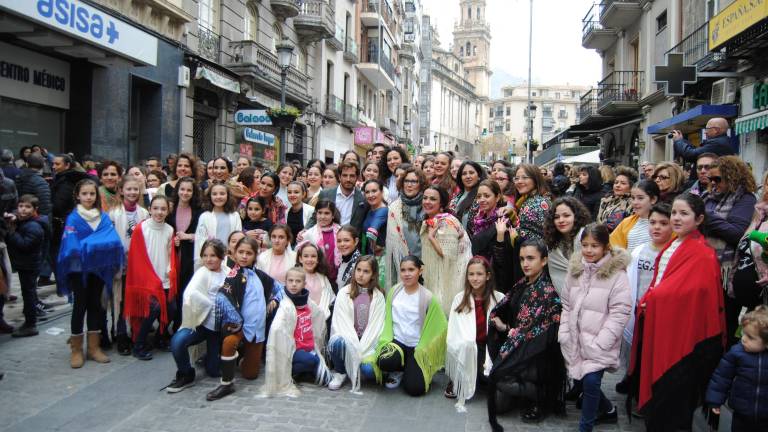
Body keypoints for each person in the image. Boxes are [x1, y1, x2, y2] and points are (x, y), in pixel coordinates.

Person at [629, 193, 726, 430]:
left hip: (684, 342)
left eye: (684, 214)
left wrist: (654, 298)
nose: (676, 218)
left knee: (673, 403)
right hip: (665, 328)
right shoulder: (675, 244)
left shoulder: (703, 253)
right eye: (674, 213)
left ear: (699, 218)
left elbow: (694, 295)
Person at [560, 224, 631, 432]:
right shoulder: (575, 270)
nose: (589, 250)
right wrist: (565, 332)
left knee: (591, 381)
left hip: (599, 341)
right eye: (585, 245)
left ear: (606, 247)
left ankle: (586, 427)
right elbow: (566, 304)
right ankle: (608, 410)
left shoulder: (617, 275)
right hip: (575, 337)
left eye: (595, 246)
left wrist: (601, 342)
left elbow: (620, 311)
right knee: (581, 376)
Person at [487, 240, 564, 426]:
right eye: (522, 259)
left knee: (499, 378)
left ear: (544, 260)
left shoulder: (548, 293)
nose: (525, 264)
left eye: (531, 258)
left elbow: (538, 336)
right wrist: (497, 318)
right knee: (498, 404)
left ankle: (541, 395)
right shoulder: (522, 284)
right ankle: (523, 392)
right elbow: (503, 307)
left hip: (536, 357)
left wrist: (506, 329)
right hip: (518, 348)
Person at [57, 179, 125, 368]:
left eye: (92, 194)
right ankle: (76, 349)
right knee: (80, 306)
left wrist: (89, 244)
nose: (88, 197)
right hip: (79, 271)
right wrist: (95, 244)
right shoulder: (73, 218)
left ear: (96, 196)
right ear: (78, 196)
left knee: (96, 305)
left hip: (99, 269)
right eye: (85, 194)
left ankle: (94, 348)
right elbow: (71, 246)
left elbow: (113, 241)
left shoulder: (102, 217)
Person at [206, 237, 281, 400]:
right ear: (234, 253)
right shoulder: (233, 276)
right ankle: (226, 384)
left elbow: (279, 288)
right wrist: (237, 321)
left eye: (249, 253)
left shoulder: (261, 275)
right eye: (241, 252)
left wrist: (274, 299)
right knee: (229, 342)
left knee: (250, 374)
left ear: (256, 255)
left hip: (257, 327)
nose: (244, 256)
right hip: (238, 325)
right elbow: (222, 297)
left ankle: (240, 359)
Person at [616, 203, 674, 394]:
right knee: (636, 349)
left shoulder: (673, 252)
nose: (656, 227)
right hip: (637, 308)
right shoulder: (639, 250)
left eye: (663, 223)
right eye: (653, 222)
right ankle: (633, 378)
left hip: (658, 311)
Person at [702, 156, 757, 345]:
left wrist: (705, 216)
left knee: (723, 323)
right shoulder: (707, 197)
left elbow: (737, 233)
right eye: (711, 179)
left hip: (725, 271)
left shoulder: (745, 199)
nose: (713, 183)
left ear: (733, 177)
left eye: (718, 179)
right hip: (702, 266)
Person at [376, 256, 447, 396]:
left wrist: (428, 348)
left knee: (416, 389)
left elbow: (442, 324)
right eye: (403, 270)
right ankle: (398, 370)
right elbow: (387, 319)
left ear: (420, 271)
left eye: (411, 269)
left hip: (416, 346)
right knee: (384, 360)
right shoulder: (394, 292)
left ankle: (416, 367)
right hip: (397, 342)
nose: (406, 274)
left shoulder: (427, 297)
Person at [166, 239, 229, 392]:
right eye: (205, 255)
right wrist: (209, 305)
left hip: (217, 326)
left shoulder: (227, 272)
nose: (208, 259)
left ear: (221, 256)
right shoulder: (201, 273)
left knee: (214, 371)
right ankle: (185, 373)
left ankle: (211, 358)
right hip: (200, 322)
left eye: (213, 255)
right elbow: (191, 293)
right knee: (177, 342)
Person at [261, 267, 331, 397]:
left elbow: (318, 315)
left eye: (298, 281)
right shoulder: (285, 305)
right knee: (313, 361)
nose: (294, 284)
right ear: (285, 282)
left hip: (308, 347)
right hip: (293, 351)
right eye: (290, 281)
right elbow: (276, 328)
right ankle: (294, 371)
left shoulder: (307, 301)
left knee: (321, 372)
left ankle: (303, 372)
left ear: (304, 284)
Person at [445, 256, 504, 411]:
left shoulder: (499, 298)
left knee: (490, 382)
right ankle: (458, 377)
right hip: (468, 347)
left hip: (489, 347)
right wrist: (465, 343)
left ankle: (480, 376)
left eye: (479, 274)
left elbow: (506, 329)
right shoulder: (459, 298)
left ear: (488, 276)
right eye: (471, 274)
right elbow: (454, 330)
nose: (475, 278)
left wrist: (501, 325)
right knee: (466, 347)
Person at [123, 196, 177, 360]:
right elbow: (136, 257)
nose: (159, 212)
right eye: (156, 208)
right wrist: (150, 278)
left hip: (164, 277)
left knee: (173, 309)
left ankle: (160, 338)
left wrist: (170, 271)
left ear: (168, 211)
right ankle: (139, 345)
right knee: (153, 309)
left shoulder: (169, 229)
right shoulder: (141, 229)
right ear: (150, 209)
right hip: (146, 279)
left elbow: (170, 254)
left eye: (163, 209)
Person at [327, 256, 387, 392]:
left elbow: (377, 328)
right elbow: (340, 324)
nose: (360, 274)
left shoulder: (378, 297)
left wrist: (360, 351)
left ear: (373, 275)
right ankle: (340, 372)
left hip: (368, 342)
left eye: (366, 271)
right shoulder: (344, 293)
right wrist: (354, 346)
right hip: (348, 339)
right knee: (337, 342)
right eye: (358, 270)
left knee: (369, 372)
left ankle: (358, 366)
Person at [705, 306, 768, 431]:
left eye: (750, 337)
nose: (743, 339)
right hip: (741, 412)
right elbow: (721, 377)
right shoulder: (736, 353)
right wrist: (715, 400)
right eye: (744, 334)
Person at [108, 176, 150, 354]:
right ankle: (121, 335)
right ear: (121, 191)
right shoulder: (113, 213)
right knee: (120, 301)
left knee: (136, 301)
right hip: (120, 265)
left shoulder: (144, 213)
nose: (132, 192)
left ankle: (136, 334)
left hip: (138, 266)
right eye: (129, 189)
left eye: (135, 189)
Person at [421, 186, 473, 314]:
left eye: (432, 199)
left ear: (441, 204)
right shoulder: (432, 220)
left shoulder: (446, 222)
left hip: (452, 278)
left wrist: (431, 238)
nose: (427, 201)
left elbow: (447, 256)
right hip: (439, 275)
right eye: (425, 198)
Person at [5, 195, 49, 337]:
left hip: (29, 265)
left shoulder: (35, 226)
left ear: (35, 210)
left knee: (28, 294)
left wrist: (11, 232)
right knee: (29, 293)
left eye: (27, 207)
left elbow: (25, 245)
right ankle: (30, 319)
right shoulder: (26, 222)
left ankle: (30, 324)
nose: (23, 210)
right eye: (21, 206)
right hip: (26, 264)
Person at [168, 177, 203, 330]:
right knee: (172, 294)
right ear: (177, 190)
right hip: (172, 258)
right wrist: (173, 240)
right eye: (182, 189)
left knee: (185, 292)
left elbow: (205, 235)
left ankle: (180, 326)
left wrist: (189, 237)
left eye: (189, 190)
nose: (185, 193)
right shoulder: (170, 209)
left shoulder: (199, 212)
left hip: (190, 258)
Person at [385, 167, 427, 288]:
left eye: (414, 181)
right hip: (403, 265)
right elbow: (392, 243)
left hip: (426, 262)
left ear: (421, 184)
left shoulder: (428, 204)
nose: (409, 185)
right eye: (406, 181)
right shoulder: (394, 208)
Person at [543, 197, 591, 294]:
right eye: (556, 217)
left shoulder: (587, 236)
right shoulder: (552, 243)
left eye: (566, 215)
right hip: (564, 301)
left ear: (576, 217)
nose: (561, 220)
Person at [193, 183, 242, 268]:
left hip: (230, 259)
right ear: (210, 196)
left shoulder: (235, 215)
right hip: (211, 260)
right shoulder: (205, 216)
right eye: (214, 194)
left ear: (228, 196)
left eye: (222, 194)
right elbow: (200, 241)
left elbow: (239, 239)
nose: (218, 197)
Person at [309, 162, 366, 229]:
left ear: (357, 177)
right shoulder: (325, 194)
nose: (348, 179)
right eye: (345, 175)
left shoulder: (363, 198)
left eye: (352, 176)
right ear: (339, 177)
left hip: (351, 238)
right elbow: (315, 217)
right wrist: (305, 229)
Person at [609, 180, 660, 252]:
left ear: (653, 199)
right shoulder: (626, 222)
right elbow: (613, 248)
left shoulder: (665, 223)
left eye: (640, 198)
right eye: (633, 198)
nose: (635, 202)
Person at [296, 242, 335, 319]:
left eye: (313, 256)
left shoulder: (323, 279)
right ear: (300, 259)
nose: (309, 259)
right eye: (306, 256)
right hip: (303, 323)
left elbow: (331, 300)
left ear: (318, 259)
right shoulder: (295, 278)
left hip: (323, 323)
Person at [671, 117, 735, 162]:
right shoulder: (722, 142)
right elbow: (695, 151)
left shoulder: (717, 143)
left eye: (707, 129)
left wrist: (678, 141)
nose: (705, 132)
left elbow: (690, 155)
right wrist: (682, 140)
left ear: (716, 130)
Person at [449, 161, 487, 233]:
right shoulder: (457, 197)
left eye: (471, 173)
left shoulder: (482, 197)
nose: (468, 176)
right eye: (464, 174)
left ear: (479, 176)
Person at [596, 166, 637, 231]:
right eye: (616, 182)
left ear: (630, 187)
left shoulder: (634, 203)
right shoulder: (606, 200)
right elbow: (599, 220)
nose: (618, 185)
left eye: (623, 183)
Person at [360, 180, 387, 259]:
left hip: (380, 259)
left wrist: (374, 247)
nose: (370, 195)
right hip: (370, 256)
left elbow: (372, 231)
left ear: (382, 192)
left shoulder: (383, 210)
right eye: (367, 192)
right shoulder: (370, 210)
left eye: (374, 191)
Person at [285, 181, 314, 246]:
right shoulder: (286, 212)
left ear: (303, 194)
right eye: (289, 192)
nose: (292, 195)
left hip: (306, 247)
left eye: (296, 192)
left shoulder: (311, 211)